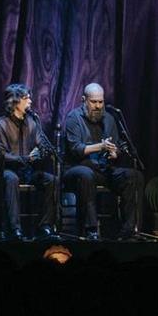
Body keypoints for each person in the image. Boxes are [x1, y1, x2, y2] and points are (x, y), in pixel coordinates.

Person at [62, 83, 144, 241]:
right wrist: (100, 146)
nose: (98, 106)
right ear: (84, 100)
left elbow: (117, 146)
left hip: (103, 169)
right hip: (77, 168)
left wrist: (114, 153)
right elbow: (76, 149)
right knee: (86, 174)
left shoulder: (110, 118)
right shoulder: (74, 118)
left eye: (100, 102)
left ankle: (129, 230)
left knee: (134, 176)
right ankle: (91, 230)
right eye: (94, 102)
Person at [0, 83, 57, 241]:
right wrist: (25, 159)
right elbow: (1, 156)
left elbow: (41, 144)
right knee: (11, 178)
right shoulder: (1, 124)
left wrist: (43, 151)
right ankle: (14, 229)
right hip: (4, 171)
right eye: (26, 98)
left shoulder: (32, 122)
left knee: (52, 180)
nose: (30, 101)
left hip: (26, 171)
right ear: (15, 102)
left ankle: (45, 226)